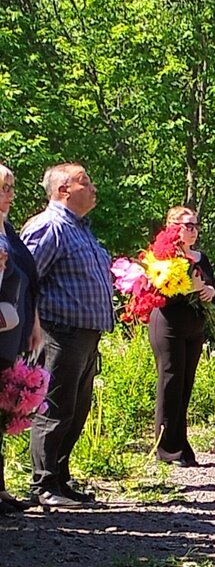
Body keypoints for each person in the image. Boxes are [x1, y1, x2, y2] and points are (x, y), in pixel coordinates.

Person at [22, 163, 113, 509]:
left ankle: (60, 478)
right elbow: (26, 279)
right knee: (54, 408)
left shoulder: (81, 229)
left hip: (85, 336)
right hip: (57, 332)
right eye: (85, 183)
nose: (93, 189)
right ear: (63, 190)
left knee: (75, 409)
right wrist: (31, 329)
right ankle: (43, 485)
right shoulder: (50, 227)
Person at [148, 207, 215, 467]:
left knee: (185, 386)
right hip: (168, 325)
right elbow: (161, 293)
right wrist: (190, 286)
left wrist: (209, 290)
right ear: (172, 226)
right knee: (171, 385)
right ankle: (166, 448)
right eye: (187, 225)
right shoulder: (164, 256)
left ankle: (181, 445)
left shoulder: (201, 258)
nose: (193, 230)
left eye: (195, 225)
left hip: (194, 328)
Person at [0, 163, 42, 514]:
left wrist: (34, 325)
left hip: (15, 327)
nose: (10, 194)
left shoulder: (9, 230)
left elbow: (29, 279)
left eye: (11, 187)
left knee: (3, 404)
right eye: (3, 187)